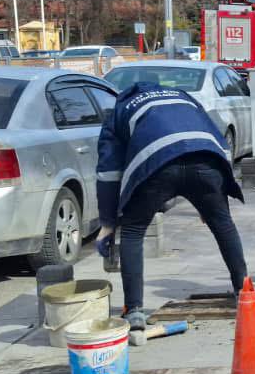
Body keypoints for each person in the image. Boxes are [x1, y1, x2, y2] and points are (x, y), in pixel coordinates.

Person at [95, 81, 247, 330]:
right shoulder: (182, 96)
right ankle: (244, 292)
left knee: (132, 231)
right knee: (223, 223)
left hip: (157, 167)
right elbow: (219, 141)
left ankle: (134, 311)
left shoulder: (120, 110)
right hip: (206, 161)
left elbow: (109, 172)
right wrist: (216, 200)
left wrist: (108, 223)